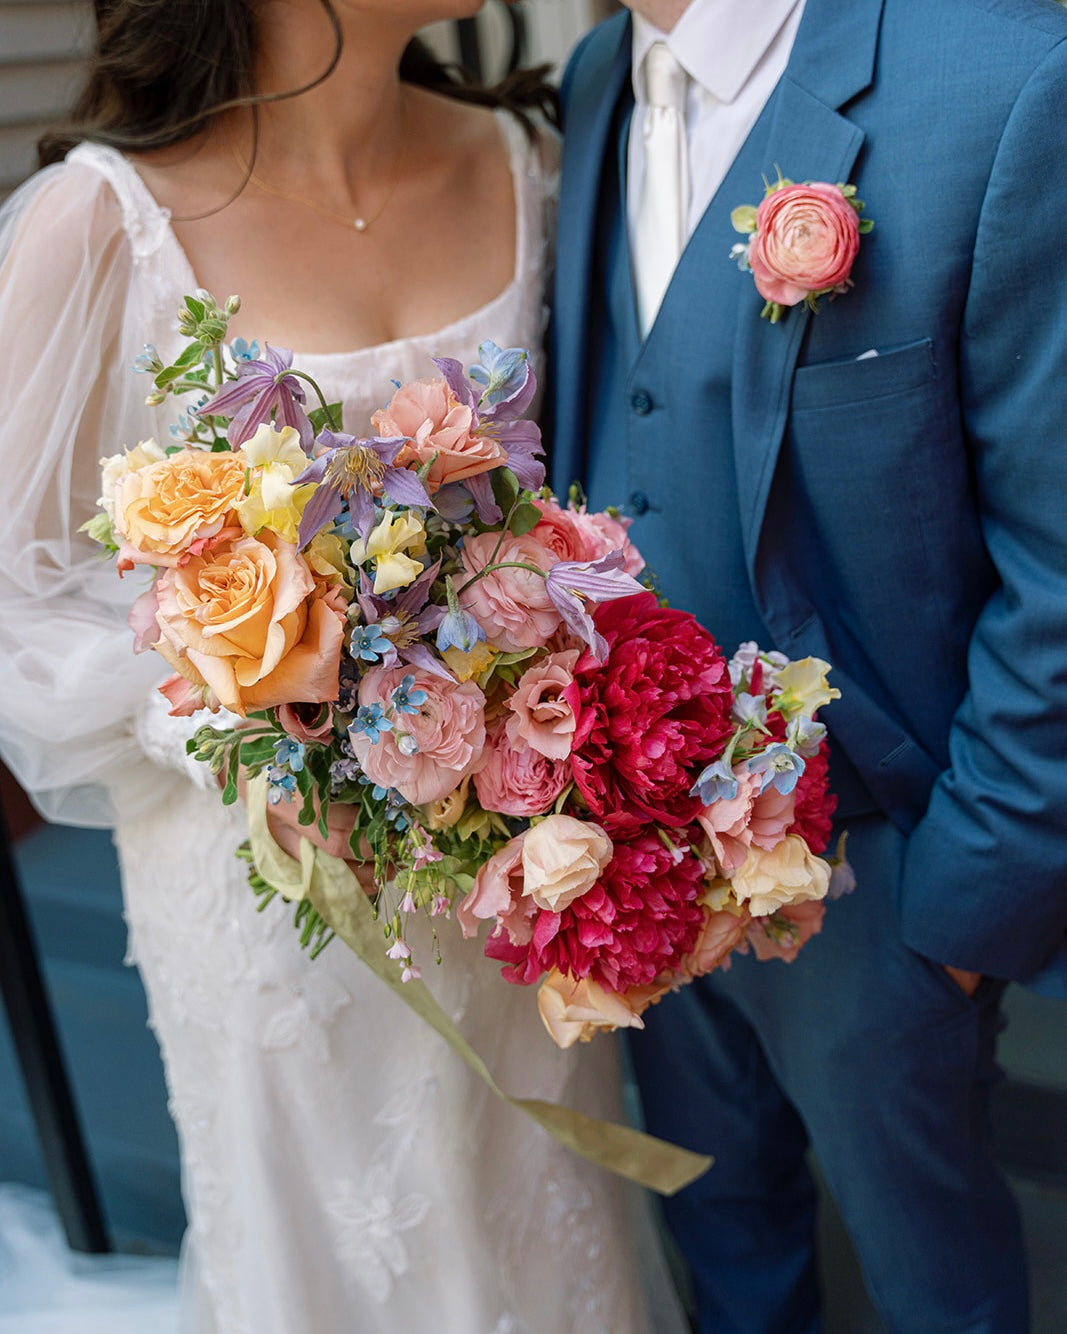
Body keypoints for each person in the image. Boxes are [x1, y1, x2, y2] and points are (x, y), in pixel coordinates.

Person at [0, 3, 689, 1331]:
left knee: (539, 1226)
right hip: (263, 888)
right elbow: (14, 598)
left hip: (506, 867)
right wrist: (251, 718)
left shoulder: (524, 161)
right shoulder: (100, 223)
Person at [549, 0, 1067, 1330]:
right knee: (726, 1243)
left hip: (877, 885)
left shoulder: (1011, 77)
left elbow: (1059, 567)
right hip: (627, 869)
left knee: (938, 1283)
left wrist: (954, 919)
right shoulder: (601, 74)